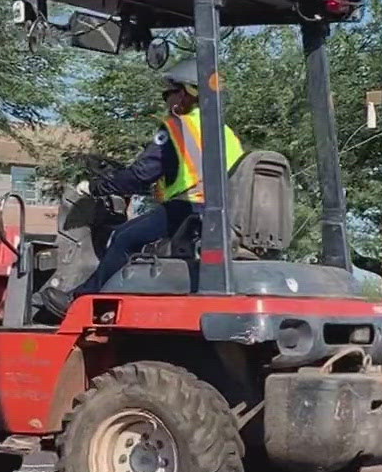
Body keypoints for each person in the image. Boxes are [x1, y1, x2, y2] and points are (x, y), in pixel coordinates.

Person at [35, 59, 244, 320]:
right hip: (218, 216)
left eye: (168, 94)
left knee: (123, 238)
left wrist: (96, 186)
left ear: (184, 93)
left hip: (188, 210)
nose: (166, 101)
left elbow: (141, 175)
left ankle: (83, 302)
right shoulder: (226, 133)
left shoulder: (176, 127)